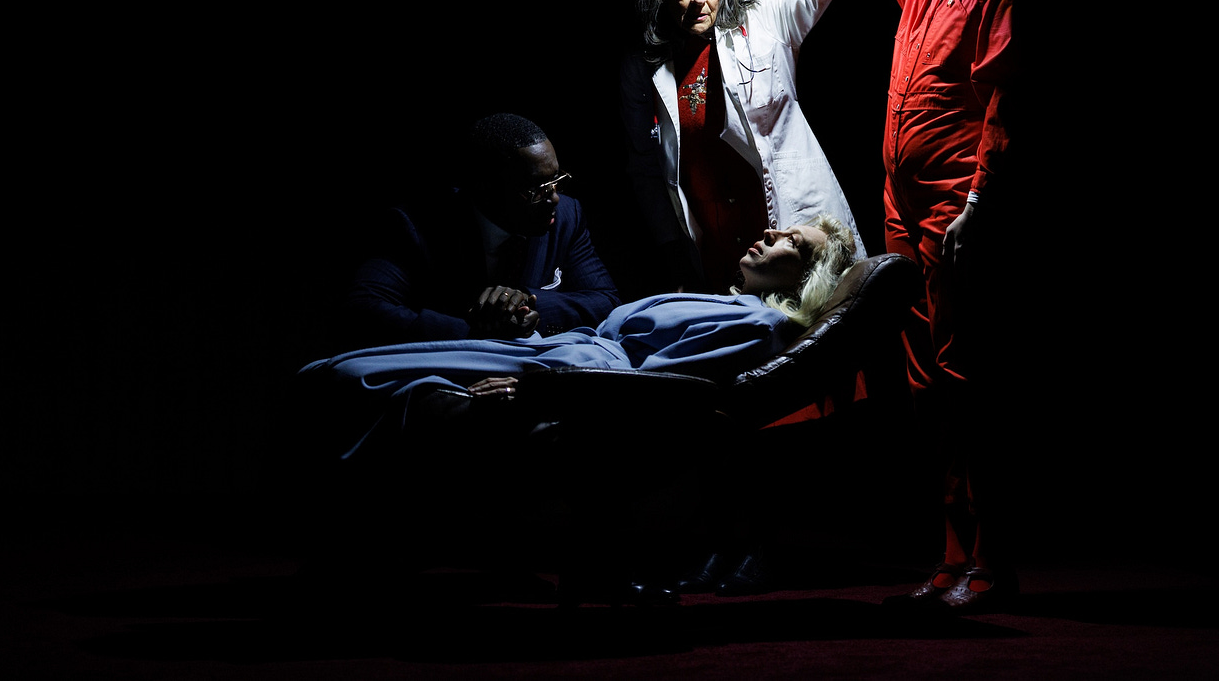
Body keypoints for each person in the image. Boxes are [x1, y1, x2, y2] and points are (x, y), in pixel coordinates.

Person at [759, 0, 1029, 613]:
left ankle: (990, 558)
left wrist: (979, 203)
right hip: (902, 207)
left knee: (960, 377)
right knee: (921, 384)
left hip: (953, 208)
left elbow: (1005, 103)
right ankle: (951, 557)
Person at [299, 216, 857, 605]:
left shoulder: (764, 325)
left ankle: (344, 540)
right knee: (364, 373)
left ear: (807, 276)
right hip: (563, 353)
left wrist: (542, 390)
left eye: (794, 243)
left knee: (356, 377)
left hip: (573, 374)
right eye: (782, 227)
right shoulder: (732, 302)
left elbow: (659, 387)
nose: (771, 234)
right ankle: (354, 540)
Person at [620, 0, 865, 296]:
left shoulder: (768, 16)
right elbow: (650, 168)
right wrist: (675, 247)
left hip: (785, 232)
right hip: (717, 253)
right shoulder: (649, 64)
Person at [338, 112, 621, 350]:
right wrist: (475, 330)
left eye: (556, 181)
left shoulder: (567, 217)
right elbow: (363, 310)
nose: (555, 198)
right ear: (485, 188)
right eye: (537, 189)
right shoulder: (416, 226)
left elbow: (606, 301)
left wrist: (523, 304)